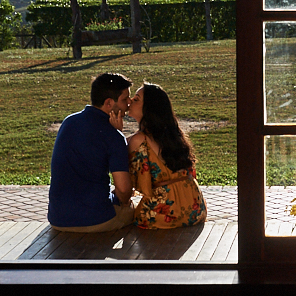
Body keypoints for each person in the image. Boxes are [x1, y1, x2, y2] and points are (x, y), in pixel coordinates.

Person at [47, 72, 136, 232]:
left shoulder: (69, 121)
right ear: (109, 103)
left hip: (57, 219)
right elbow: (123, 191)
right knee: (134, 208)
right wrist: (118, 135)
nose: (129, 103)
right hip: (96, 219)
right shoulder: (113, 137)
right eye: (124, 99)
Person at [126, 82, 207, 228]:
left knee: (128, 216)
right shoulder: (172, 134)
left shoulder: (139, 140)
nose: (130, 101)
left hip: (167, 210)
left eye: (136, 99)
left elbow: (137, 184)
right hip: (195, 206)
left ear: (149, 108)